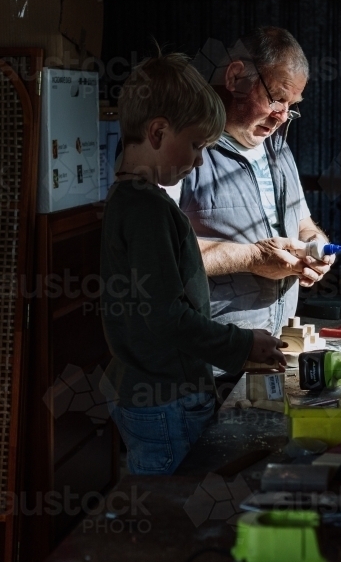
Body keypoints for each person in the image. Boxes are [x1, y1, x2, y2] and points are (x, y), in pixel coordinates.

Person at [101, 51, 286, 476]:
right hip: (167, 398)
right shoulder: (148, 210)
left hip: (149, 389)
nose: (200, 160)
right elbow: (166, 317)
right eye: (197, 145)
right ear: (159, 131)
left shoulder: (126, 198)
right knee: (178, 510)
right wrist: (240, 345)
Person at [172, 27, 335, 338]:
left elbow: (301, 221)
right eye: (276, 99)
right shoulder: (182, 150)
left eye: (293, 105)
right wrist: (253, 258)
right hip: (206, 359)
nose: (282, 117)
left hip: (268, 348)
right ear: (235, 78)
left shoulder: (278, 148)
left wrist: (315, 245)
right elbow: (161, 252)